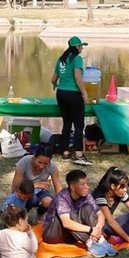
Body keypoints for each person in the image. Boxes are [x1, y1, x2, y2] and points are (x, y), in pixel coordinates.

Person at [52, 36, 93, 166]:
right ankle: (79, 154)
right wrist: (84, 93)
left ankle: (65, 151)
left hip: (61, 93)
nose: (81, 48)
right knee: (79, 124)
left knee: (67, 123)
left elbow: (53, 79)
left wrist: (56, 85)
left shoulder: (61, 60)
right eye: (81, 46)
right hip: (74, 94)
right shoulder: (77, 59)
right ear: (76, 47)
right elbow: (77, 76)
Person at [41, 169, 105, 247]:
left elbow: (100, 213)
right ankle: (91, 243)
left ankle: (98, 238)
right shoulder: (62, 197)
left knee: (87, 208)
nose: (87, 187)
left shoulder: (86, 195)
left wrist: (97, 228)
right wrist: (91, 230)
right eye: (83, 184)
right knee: (69, 213)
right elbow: (67, 223)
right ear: (73, 187)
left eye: (87, 184)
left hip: (71, 235)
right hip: (53, 233)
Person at [7, 144, 63, 216]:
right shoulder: (24, 162)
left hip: (40, 191)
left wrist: (64, 202)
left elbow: (59, 189)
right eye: (39, 162)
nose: (42, 166)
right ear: (34, 157)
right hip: (25, 192)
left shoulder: (52, 167)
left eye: (46, 164)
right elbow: (15, 188)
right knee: (33, 199)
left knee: (49, 202)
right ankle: (22, 214)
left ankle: (40, 214)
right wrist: (36, 185)